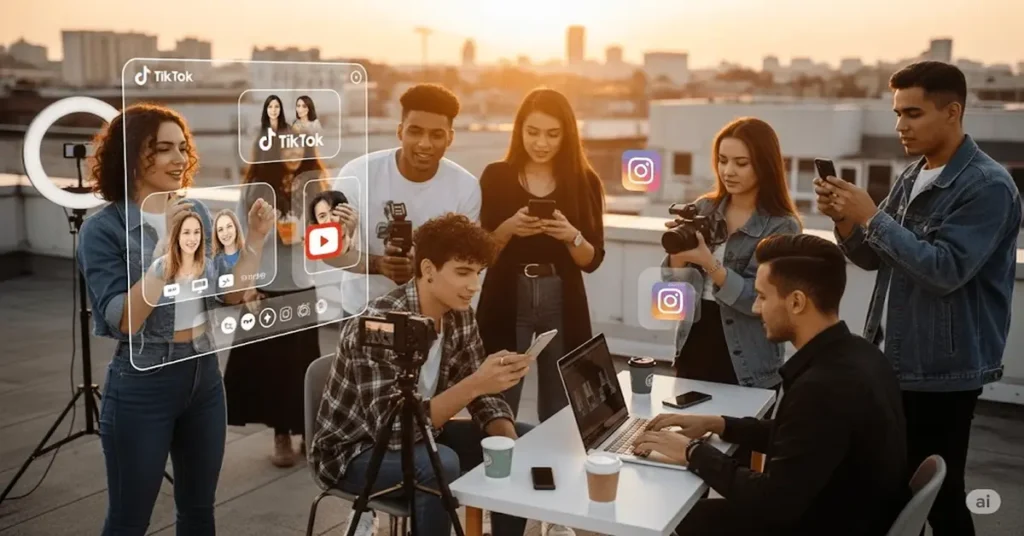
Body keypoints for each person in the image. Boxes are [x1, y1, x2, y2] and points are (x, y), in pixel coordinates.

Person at [814, 61, 1022, 536]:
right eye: (897, 113)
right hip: (895, 360)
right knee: (888, 486)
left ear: (953, 112)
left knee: (941, 498)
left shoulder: (988, 186)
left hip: (943, 371)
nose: (900, 126)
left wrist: (873, 216)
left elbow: (944, 271)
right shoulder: (912, 176)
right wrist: (845, 219)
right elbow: (873, 258)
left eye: (913, 113)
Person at [77, 103, 273, 535]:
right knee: (129, 520)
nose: (179, 158)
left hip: (204, 377)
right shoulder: (102, 230)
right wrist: (166, 249)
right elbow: (125, 319)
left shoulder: (196, 210)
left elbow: (228, 292)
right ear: (131, 155)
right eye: (163, 148)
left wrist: (256, 239)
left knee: (199, 512)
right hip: (143, 384)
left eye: (182, 148)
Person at [635, 234, 909, 536]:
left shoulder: (823, 388)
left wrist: (693, 452)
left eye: (763, 297)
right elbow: (802, 438)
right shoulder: (862, 354)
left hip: (821, 523)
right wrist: (719, 424)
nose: (755, 308)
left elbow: (772, 502)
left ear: (796, 302)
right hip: (846, 513)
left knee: (666, 518)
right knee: (686, 517)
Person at [310, 214, 534, 536]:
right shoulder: (381, 324)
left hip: (425, 435)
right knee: (440, 464)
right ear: (428, 270)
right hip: (354, 451)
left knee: (521, 441)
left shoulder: (460, 316)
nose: (474, 285)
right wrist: (475, 383)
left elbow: (484, 398)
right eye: (462, 272)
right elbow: (394, 430)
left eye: (478, 273)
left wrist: (507, 442)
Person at [477, 88, 606, 431]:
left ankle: (556, 460)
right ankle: (496, 461)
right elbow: (482, 254)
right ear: (519, 130)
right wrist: (509, 228)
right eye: (532, 132)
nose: (541, 143)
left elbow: (592, 260)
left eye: (552, 134)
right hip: (508, 295)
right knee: (498, 399)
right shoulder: (496, 176)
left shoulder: (584, 181)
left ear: (567, 135)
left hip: (561, 295)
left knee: (562, 404)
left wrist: (570, 235)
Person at [662, 117, 802, 389]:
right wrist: (679, 252)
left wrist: (709, 264)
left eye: (741, 163)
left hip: (748, 355)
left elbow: (759, 302)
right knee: (688, 417)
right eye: (722, 160)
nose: (728, 171)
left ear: (764, 165)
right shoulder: (703, 209)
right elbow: (674, 290)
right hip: (695, 341)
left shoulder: (782, 225)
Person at [327, 83, 481, 317]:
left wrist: (420, 267)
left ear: (450, 137)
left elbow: (465, 263)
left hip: (433, 313)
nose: (425, 144)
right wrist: (379, 264)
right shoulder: (358, 174)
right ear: (400, 132)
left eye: (436, 134)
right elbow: (328, 251)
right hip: (363, 311)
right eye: (415, 131)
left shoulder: (466, 187)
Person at [223, 136, 328, 467]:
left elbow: (327, 240)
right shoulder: (256, 188)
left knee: (304, 365)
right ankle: (281, 434)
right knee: (273, 369)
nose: (293, 152)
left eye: (299, 144)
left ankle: (309, 432)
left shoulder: (314, 185)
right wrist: (248, 286)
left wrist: (307, 234)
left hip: (302, 287)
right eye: (285, 145)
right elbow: (237, 240)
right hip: (265, 290)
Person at [212, 208, 245, 273]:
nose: (225, 233)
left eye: (229, 226)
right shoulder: (213, 264)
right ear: (216, 234)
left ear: (236, 228)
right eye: (220, 230)